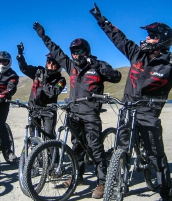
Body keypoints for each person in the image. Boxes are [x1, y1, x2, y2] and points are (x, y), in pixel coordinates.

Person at [89, 3, 172, 201]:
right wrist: (100, 19)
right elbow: (118, 38)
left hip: (149, 114)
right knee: (120, 150)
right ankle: (118, 182)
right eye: (148, 35)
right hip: (127, 110)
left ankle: (165, 193)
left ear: (162, 40)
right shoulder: (136, 54)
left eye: (151, 35)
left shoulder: (169, 66)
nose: (147, 38)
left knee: (156, 156)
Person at [33, 22, 122, 199]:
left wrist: (96, 63)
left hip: (90, 114)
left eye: (79, 51)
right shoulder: (70, 66)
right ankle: (77, 176)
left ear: (86, 51)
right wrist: (43, 36)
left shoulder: (97, 66)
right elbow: (56, 51)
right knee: (76, 148)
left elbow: (116, 77)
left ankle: (102, 182)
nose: (76, 54)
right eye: (74, 51)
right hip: (73, 113)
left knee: (95, 149)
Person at [16, 42, 66, 140]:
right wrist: (20, 55)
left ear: (59, 66)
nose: (50, 65)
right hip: (34, 108)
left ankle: (53, 155)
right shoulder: (38, 71)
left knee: (49, 136)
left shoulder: (61, 80)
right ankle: (37, 155)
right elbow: (24, 68)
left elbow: (53, 93)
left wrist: (43, 84)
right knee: (34, 137)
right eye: (49, 62)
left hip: (49, 110)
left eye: (54, 63)